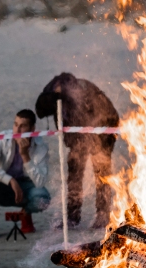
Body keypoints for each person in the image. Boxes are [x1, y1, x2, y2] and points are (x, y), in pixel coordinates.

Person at [35, 73, 119, 229]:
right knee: (74, 179)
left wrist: (107, 139)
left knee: (102, 177)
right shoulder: (53, 92)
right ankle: (73, 217)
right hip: (76, 140)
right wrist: (56, 97)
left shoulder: (87, 91)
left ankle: (103, 215)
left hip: (102, 135)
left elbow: (109, 114)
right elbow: (40, 110)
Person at [0, 109, 51, 239]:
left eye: (23, 126)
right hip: (2, 185)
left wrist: (25, 155)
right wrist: (10, 180)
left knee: (43, 199)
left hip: (27, 187)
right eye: (15, 124)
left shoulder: (41, 147)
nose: (17, 130)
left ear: (32, 129)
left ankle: (25, 214)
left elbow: (40, 182)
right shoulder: (4, 138)